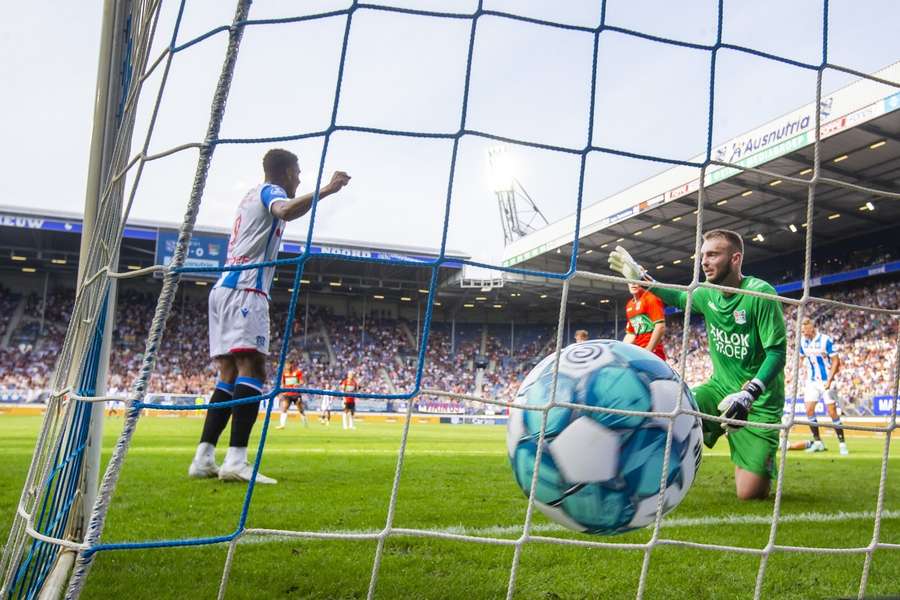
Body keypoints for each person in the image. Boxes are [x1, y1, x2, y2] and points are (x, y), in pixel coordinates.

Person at [188, 149, 350, 484]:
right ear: (286, 172)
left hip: (225, 288)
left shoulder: (249, 196)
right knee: (254, 367)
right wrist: (328, 190)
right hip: (246, 289)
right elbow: (286, 210)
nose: (300, 179)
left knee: (228, 375)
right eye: (298, 172)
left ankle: (203, 457)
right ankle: (236, 460)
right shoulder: (270, 192)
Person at [609, 229, 785, 500]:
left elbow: (777, 352)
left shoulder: (760, 294)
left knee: (750, 494)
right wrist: (643, 279)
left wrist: (750, 393)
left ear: (735, 258)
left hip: (758, 403)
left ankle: (748, 449)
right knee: (670, 413)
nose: (704, 261)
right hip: (717, 391)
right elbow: (679, 298)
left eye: (713, 254)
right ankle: (636, 481)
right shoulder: (705, 293)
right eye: (703, 255)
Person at [799, 318, 847, 455]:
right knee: (809, 410)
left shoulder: (825, 340)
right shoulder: (802, 341)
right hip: (812, 381)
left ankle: (842, 444)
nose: (803, 333)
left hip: (827, 380)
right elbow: (802, 357)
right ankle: (818, 442)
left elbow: (836, 361)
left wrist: (830, 380)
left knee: (832, 412)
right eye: (801, 331)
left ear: (812, 328)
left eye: (805, 330)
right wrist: (806, 369)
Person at [623, 283, 667, 360]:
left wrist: (648, 351)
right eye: (630, 281)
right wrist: (620, 351)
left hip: (653, 353)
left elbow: (660, 327)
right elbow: (631, 334)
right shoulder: (629, 305)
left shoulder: (651, 299)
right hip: (640, 352)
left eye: (636, 280)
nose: (633, 284)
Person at [277, 358, 307, 429]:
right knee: (284, 408)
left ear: (293, 365)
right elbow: (282, 383)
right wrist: (281, 392)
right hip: (287, 394)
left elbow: (302, 381)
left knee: (301, 410)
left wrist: (297, 383)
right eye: (287, 365)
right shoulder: (284, 373)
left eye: (289, 365)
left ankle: (305, 424)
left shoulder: (298, 372)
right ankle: (282, 425)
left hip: (296, 394)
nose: (288, 366)